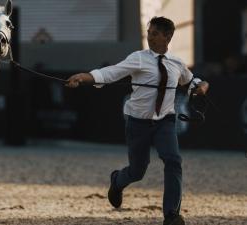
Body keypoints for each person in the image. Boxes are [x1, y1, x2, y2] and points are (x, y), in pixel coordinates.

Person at [65, 17, 209, 225]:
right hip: (138, 122)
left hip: (165, 121)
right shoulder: (138, 58)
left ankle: (171, 215)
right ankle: (117, 181)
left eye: (154, 33)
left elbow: (192, 81)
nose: (149, 37)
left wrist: (202, 86)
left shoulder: (177, 63)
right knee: (137, 171)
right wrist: (85, 77)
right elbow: (112, 72)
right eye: (148, 32)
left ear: (167, 37)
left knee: (174, 161)